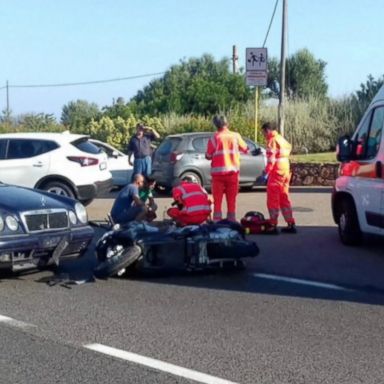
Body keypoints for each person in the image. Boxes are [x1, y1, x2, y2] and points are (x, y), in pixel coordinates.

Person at [205, 115, 248, 222]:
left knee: (217, 201)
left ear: (216, 125)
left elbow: (208, 156)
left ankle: (217, 221)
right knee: (231, 200)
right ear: (227, 124)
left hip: (218, 176)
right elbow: (246, 149)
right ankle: (231, 221)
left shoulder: (214, 138)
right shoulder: (235, 136)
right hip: (232, 174)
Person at [260, 121, 297, 234]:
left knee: (273, 198)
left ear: (268, 130)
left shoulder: (272, 141)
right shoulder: (281, 138)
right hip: (285, 170)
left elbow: (271, 160)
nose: (264, 135)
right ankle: (290, 223)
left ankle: (272, 224)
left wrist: (266, 172)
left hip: (277, 172)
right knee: (284, 197)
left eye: (263, 133)